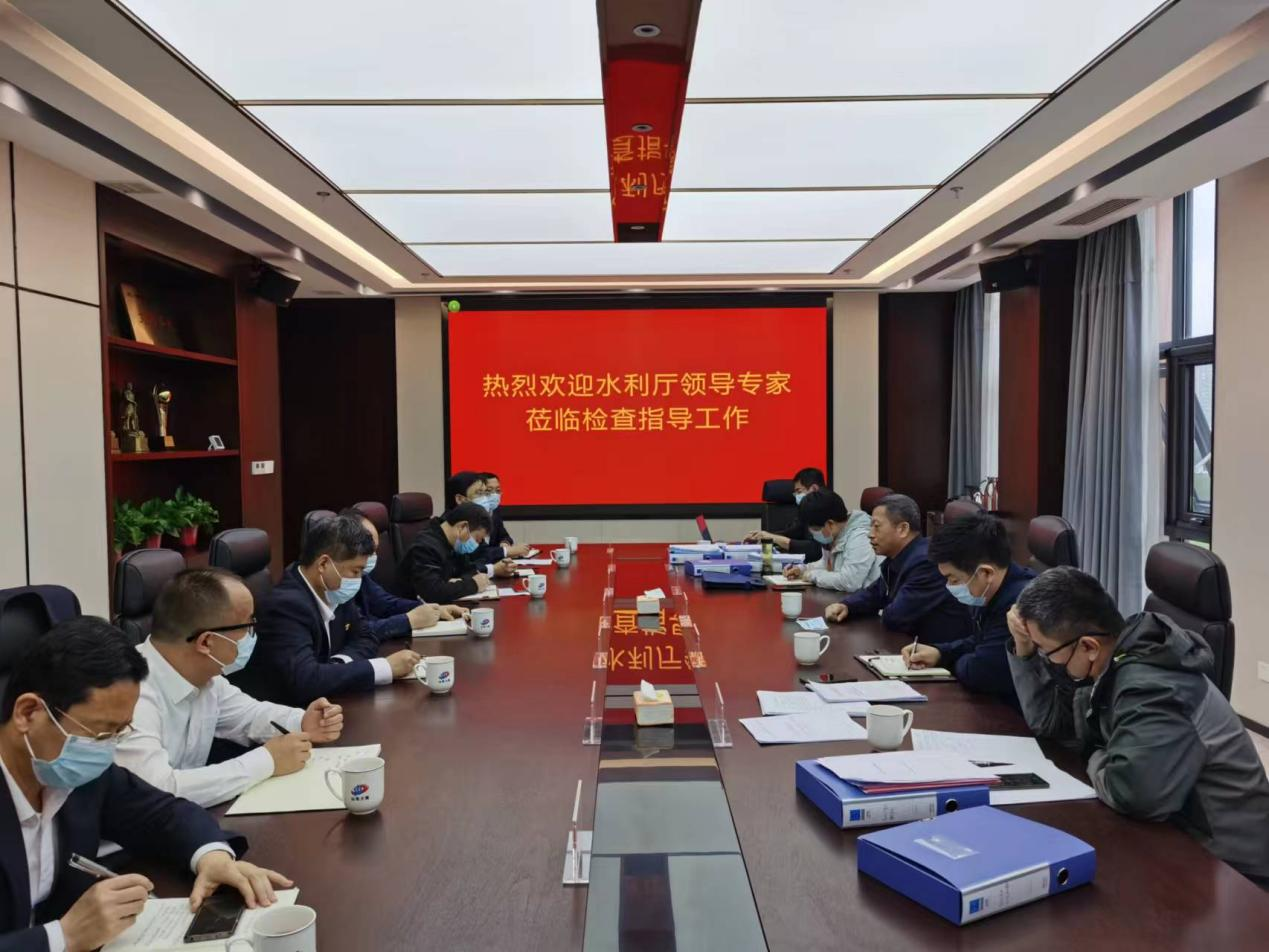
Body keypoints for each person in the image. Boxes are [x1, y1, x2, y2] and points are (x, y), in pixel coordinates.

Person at [0, 618, 291, 951]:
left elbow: (161, 812)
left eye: (119, 732)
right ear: (28, 713)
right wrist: (62, 937)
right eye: (101, 732)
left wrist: (212, 857)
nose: (108, 747)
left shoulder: (76, 774)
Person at [1007, 567, 1269, 885]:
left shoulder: (1152, 686)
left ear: (1088, 646)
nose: (1048, 661)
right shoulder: (1115, 656)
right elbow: (1050, 723)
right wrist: (1024, 651)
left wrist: (1094, 754)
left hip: (1231, 869)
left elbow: (1134, 795)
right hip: (1175, 831)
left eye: (1046, 652)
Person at [113, 568, 345, 808]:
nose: (252, 636)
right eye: (247, 626)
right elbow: (158, 789)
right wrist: (266, 761)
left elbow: (249, 715)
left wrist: (302, 721)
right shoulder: (130, 695)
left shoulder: (205, 677)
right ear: (206, 642)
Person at [238, 514, 421, 707]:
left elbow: (366, 635)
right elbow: (306, 681)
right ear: (323, 564)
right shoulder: (285, 606)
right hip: (286, 713)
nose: (358, 580)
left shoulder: (333, 589)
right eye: (355, 571)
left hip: (328, 704)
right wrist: (385, 667)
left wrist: (338, 665)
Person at [906, 512, 1034, 703]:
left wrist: (952, 662)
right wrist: (941, 653)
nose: (949, 586)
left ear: (985, 573)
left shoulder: (1018, 604)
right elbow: (980, 640)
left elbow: (980, 672)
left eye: (953, 579)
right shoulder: (990, 590)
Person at [825, 494, 970, 641]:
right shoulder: (897, 557)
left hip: (935, 649)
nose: (870, 534)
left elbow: (896, 617)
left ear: (903, 529)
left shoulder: (926, 562)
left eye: (876, 527)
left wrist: (881, 609)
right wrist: (847, 605)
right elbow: (875, 593)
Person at [339, 509, 466, 642]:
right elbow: (357, 631)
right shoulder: (338, 584)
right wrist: (408, 620)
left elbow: (386, 603)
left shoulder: (362, 576)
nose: (372, 557)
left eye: (375, 550)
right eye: (368, 551)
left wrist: (434, 610)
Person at [403, 502, 509, 604]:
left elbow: (468, 571)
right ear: (462, 527)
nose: (477, 544)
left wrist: (456, 583)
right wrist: (473, 584)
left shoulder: (454, 543)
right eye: (477, 539)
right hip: (412, 609)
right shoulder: (426, 547)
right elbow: (432, 592)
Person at [782, 490, 880, 593]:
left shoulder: (860, 537)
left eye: (815, 529)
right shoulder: (836, 535)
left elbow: (850, 582)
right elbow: (827, 564)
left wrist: (811, 575)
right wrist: (802, 569)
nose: (813, 534)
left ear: (830, 524)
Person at [744, 466, 825, 560]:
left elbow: (815, 549)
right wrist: (763, 536)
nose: (796, 496)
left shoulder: (825, 509)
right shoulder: (806, 509)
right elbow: (793, 532)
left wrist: (778, 539)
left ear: (814, 489)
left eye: (799, 491)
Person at [445, 472, 517, 578]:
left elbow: (482, 556)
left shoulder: (473, 520)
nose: (486, 499)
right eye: (480, 493)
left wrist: (496, 567)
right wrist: (493, 569)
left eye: (485, 493)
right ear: (460, 499)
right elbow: (455, 572)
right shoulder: (447, 529)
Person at [478, 473, 531, 559]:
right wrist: (506, 551)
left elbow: (504, 536)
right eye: (489, 491)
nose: (494, 495)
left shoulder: (495, 511)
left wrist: (504, 543)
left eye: (497, 490)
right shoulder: (471, 515)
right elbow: (478, 553)